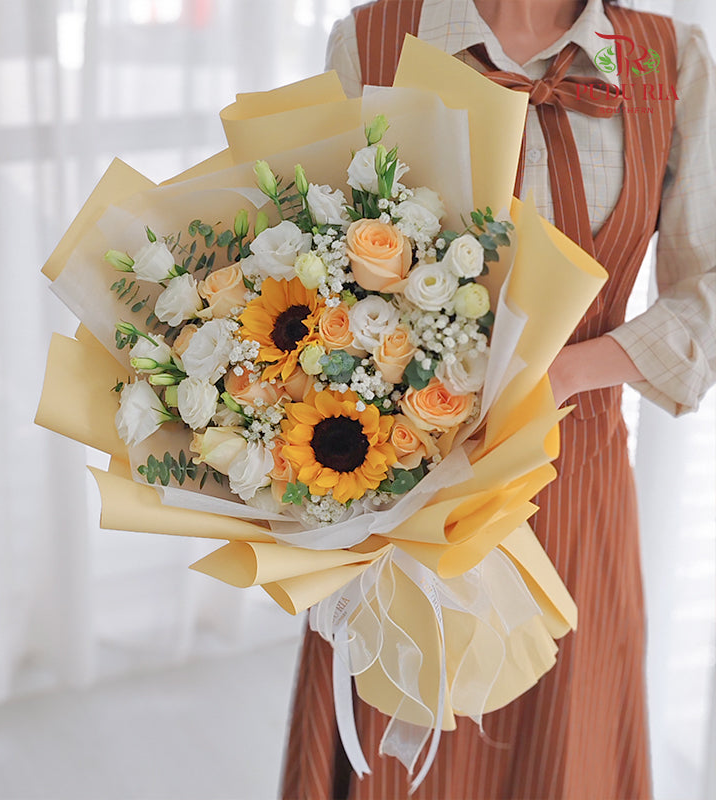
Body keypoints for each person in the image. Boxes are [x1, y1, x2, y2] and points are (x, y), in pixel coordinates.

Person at [280, 1, 716, 798]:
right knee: (397, 739)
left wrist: (568, 373)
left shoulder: (665, 58)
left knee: (564, 750)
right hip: (400, 487)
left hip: (575, 478)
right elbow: (305, 263)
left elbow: (710, 286)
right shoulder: (373, 38)